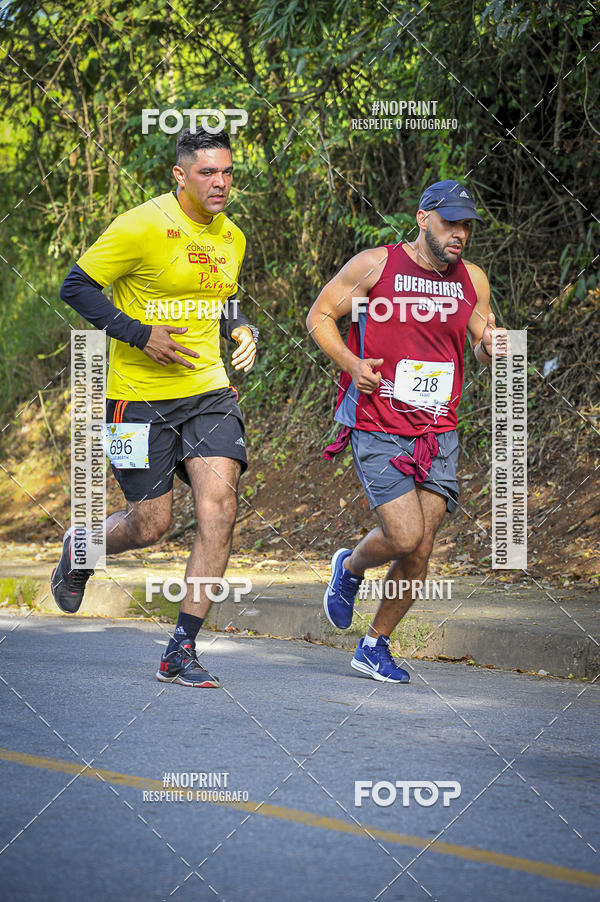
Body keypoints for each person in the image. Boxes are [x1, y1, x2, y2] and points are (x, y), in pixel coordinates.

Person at [51, 127, 258, 688]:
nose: (220, 183)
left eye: (227, 172)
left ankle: (181, 649)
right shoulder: (140, 225)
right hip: (135, 397)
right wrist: (140, 334)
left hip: (208, 393)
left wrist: (239, 328)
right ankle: (81, 547)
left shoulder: (232, 235)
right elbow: (77, 286)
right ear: (180, 175)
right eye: (207, 172)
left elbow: (224, 296)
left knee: (220, 505)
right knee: (150, 525)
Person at [307, 179, 507, 683]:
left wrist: (493, 347)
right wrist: (353, 364)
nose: (460, 233)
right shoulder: (376, 266)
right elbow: (319, 317)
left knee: (420, 549)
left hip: (438, 429)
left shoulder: (473, 280)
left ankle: (374, 646)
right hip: (378, 422)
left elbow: (482, 343)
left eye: (467, 225)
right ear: (423, 218)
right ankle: (350, 569)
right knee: (403, 533)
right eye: (450, 222)